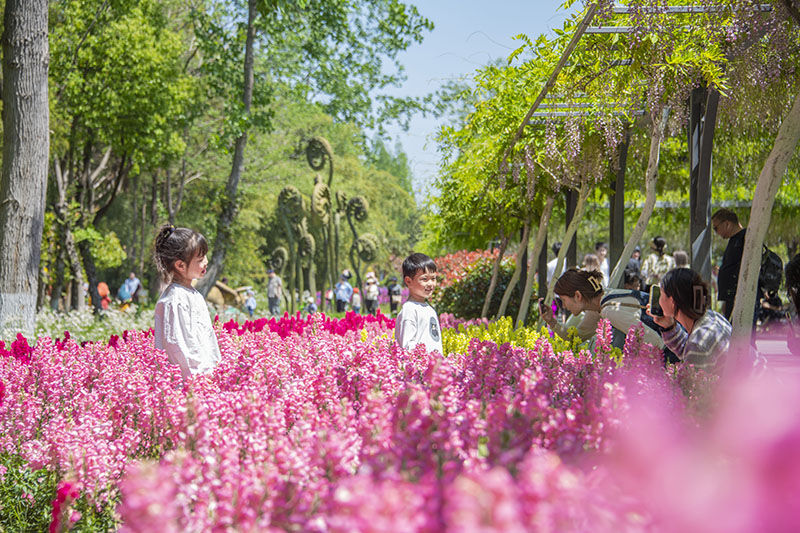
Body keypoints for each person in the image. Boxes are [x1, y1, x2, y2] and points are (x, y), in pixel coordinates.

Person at [153, 224, 221, 379]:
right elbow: (177, 345)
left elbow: (207, 338)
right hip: (189, 382)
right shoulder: (175, 299)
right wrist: (198, 378)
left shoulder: (192, 293)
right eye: (200, 259)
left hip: (205, 377)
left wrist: (216, 371)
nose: (206, 262)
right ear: (180, 265)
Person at [541, 268, 665, 353]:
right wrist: (552, 322)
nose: (563, 306)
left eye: (563, 300)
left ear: (578, 296)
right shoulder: (598, 306)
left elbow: (656, 343)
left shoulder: (610, 310)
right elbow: (578, 336)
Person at [648, 268, 732, 369]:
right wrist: (669, 327)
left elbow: (689, 382)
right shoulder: (713, 316)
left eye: (661, 294)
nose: (659, 300)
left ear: (672, 301)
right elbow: (689, 352)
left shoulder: (698, 344)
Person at [395, 252, 443, 355]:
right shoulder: (409, 310)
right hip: (420, 369)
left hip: (434, 367)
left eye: (433, 278)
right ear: (408, 281)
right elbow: (407, 346)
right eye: (424, 279)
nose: (430, 284)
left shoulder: (430, 309)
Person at [712, 208, 748, 320]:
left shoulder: (744, 238)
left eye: (716, 228)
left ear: (727, 224)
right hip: (731, 298)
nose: (716, 232)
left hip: (740, 299)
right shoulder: (734, 240)